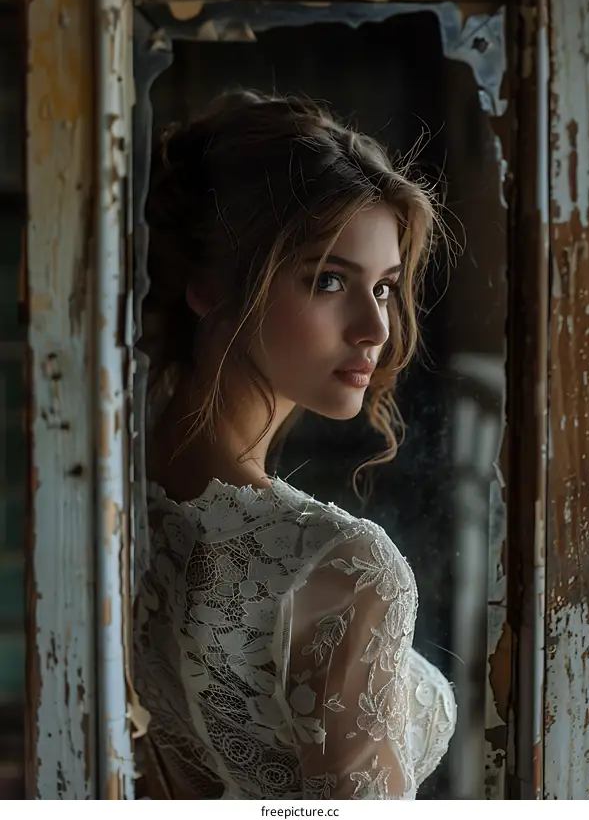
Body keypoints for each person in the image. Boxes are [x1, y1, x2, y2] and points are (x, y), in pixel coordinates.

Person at [134, 89, 457, 800]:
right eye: (329, 279)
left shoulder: (122, 489)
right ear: (209, 285)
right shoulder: (344, 570)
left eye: (387, 287)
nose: (376, 328)